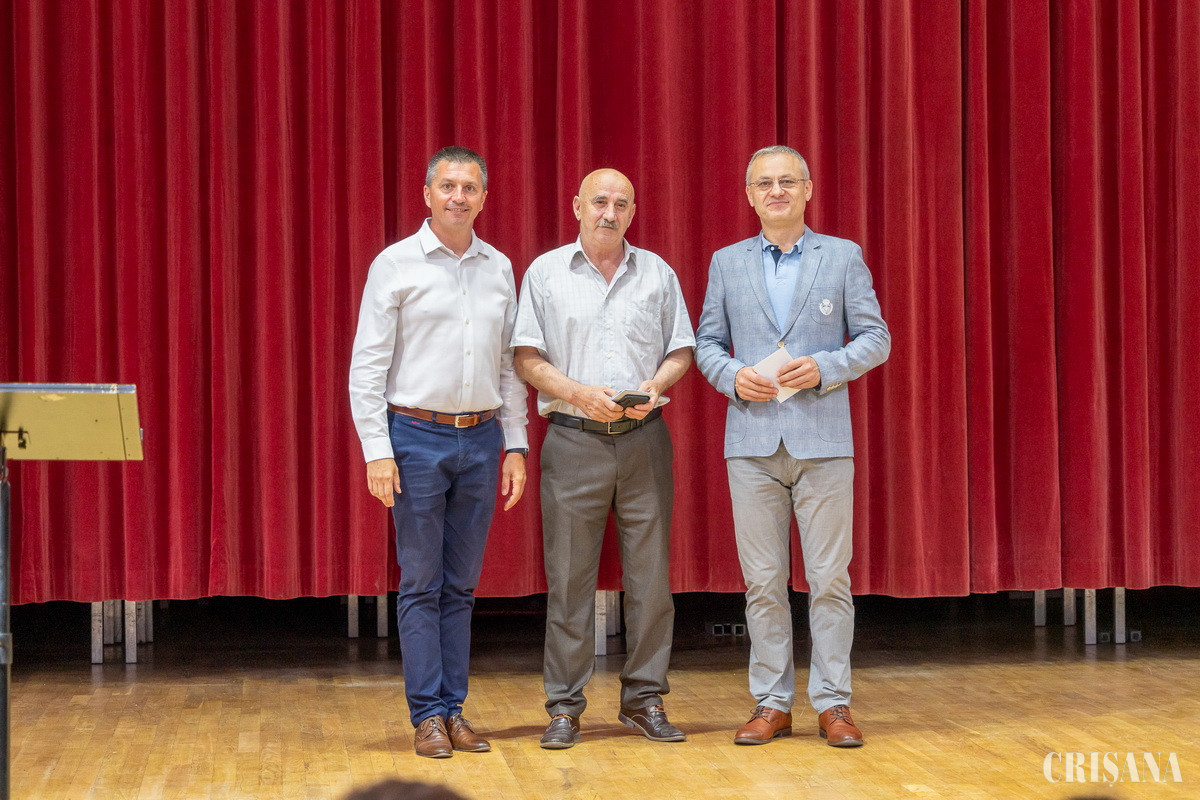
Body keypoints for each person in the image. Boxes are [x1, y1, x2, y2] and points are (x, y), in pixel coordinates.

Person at [695, 146, 890, 747]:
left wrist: (827, 366)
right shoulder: (726, 262)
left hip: (824, 442)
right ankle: (772, 702)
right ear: (749, 196)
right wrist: (732, 376)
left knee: (829, 579)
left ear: (808, 189)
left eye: (787, 181)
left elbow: (876, 337)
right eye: (764, 183)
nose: (776, 191)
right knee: (763, 582)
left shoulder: (843, 256)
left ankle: (833, 703)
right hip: (751, 443)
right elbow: (706, 343)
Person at [348, 146, 529, 758]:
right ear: (427, 195)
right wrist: (377, 450)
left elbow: (508, 366)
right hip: (414, 438)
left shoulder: (499, 267)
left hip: (481, 438)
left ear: (484, 198)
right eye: (447, 186)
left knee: (461, 586)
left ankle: (454, 710)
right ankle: (426, 714)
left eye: (469, 187)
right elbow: (367, 366)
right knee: (421, 582)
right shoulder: (394, 264)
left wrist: (516, 444)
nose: (458, 197)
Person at [511, 168, 695, 749]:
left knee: (651, 581)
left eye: (621, 203)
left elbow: (682, 349)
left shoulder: (658, 272)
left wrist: (655, 383)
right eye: (599, 202)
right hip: (573, 440)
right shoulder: (545, 273)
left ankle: (645, 700)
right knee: (569, 581)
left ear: (633, 211)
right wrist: (578, 393)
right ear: (577, 207)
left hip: (645, 440)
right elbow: (525, 357)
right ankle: (564, 707)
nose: (609, 213)